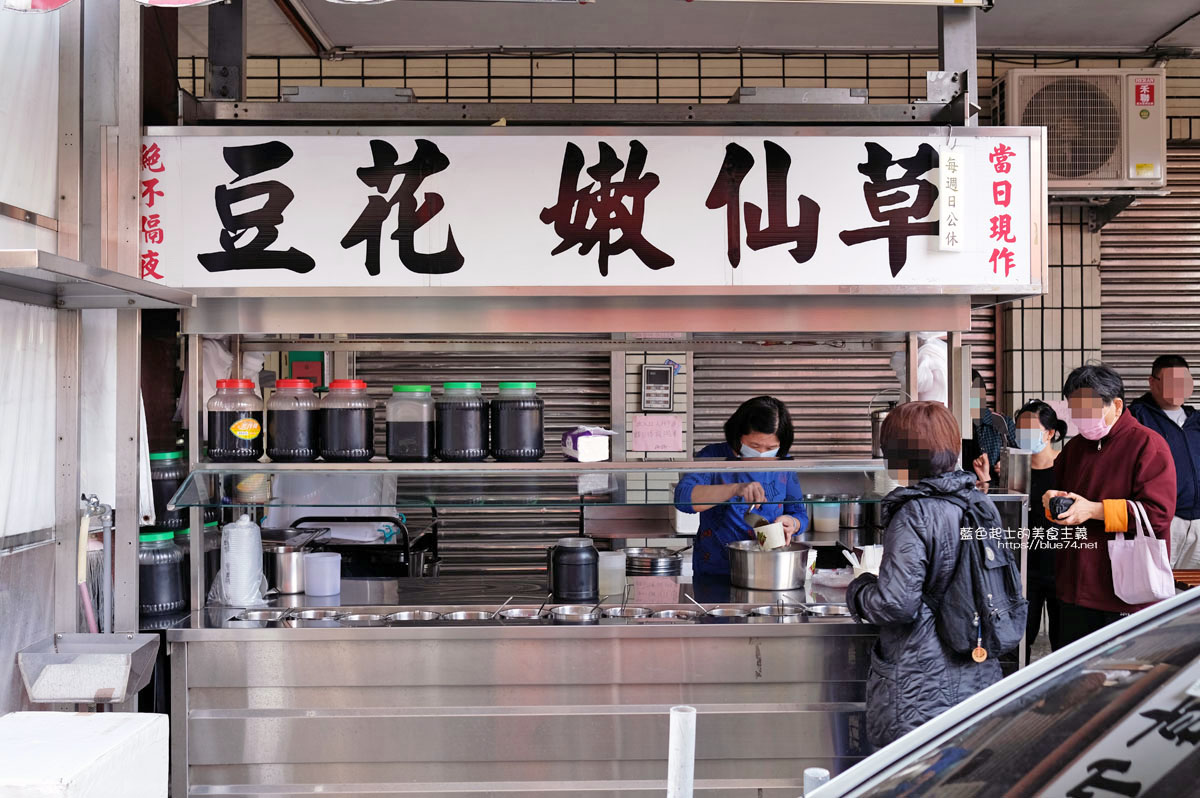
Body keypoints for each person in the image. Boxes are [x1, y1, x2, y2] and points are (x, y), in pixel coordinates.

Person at [846, 401, 1003, 748]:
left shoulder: (914, 513)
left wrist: (858, 589)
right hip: (979, 669)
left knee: (915, 774)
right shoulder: (980, 503)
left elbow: (896, 604)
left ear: (900, 457)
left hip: (922, 679)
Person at [1042, 363, 1177, 649]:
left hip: (1123, 591)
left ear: (1116, 405)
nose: (1081, 419)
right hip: (1073, 585)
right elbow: (1066, 497)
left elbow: (1158, 515)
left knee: (1117, 682)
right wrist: (1052, 499)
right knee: (1072, 679)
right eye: (1075, 411)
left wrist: (1093, 510)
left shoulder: (1148, 445)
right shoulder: (1076, 448)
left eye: (1087, 411)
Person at [674, 396, 808, 578]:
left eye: (771, 448)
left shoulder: (783, 464)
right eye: (754, 446)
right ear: (737, 436)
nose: (761, 455)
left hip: (768, 571)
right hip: (716, 571)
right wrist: (735, 489)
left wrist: (792, 523)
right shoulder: (714, 456)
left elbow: (799, 513)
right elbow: (683, 498)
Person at [1128, 355, 1200, 569]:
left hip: (1198, 523)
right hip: (1163, 522)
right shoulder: (1136, 419)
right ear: (1152, 382)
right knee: (1156, 589)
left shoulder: (1196, 421)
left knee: (1192, 595)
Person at [1014, 399, 1069, 656]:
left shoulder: (1069, 466)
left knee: (1065, 645)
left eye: (1030, 429)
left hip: (1063, 568)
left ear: (1050, 433)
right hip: (1026, 572)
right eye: (1019, 429)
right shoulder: (1013, 470)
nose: (1023, 435)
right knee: (1020, 641)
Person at [967, 370, 1016, 489]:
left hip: (994, 496)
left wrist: (1007, 467)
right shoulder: (948, 425)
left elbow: (1020, 461)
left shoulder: (1001, 423)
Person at [889, 332, 948, 405]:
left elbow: (919, 384)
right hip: (931, 406)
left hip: (927, 406)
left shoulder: (927, 353)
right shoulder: (937, 351)